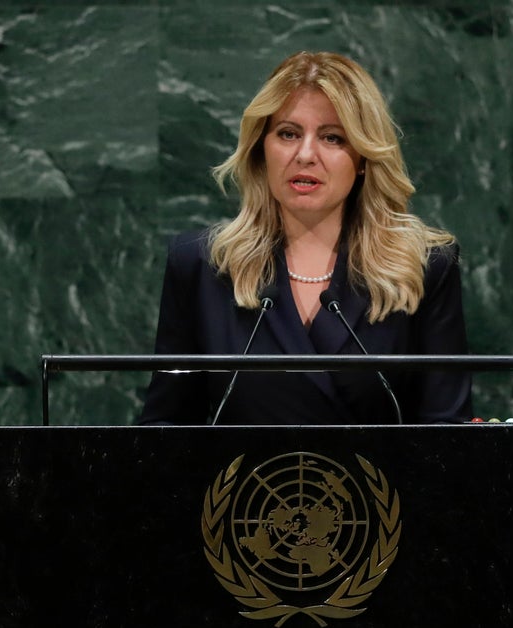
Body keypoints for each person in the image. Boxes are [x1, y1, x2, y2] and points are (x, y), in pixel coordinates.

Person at [139, 51, 471, 425]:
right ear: (261, 149)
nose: (306, 154)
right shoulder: (201, 265)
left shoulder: (424, 267)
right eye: (288, 134)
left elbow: (447, 431)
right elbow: (162, 430)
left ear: (363, 158)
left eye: (332, 137)